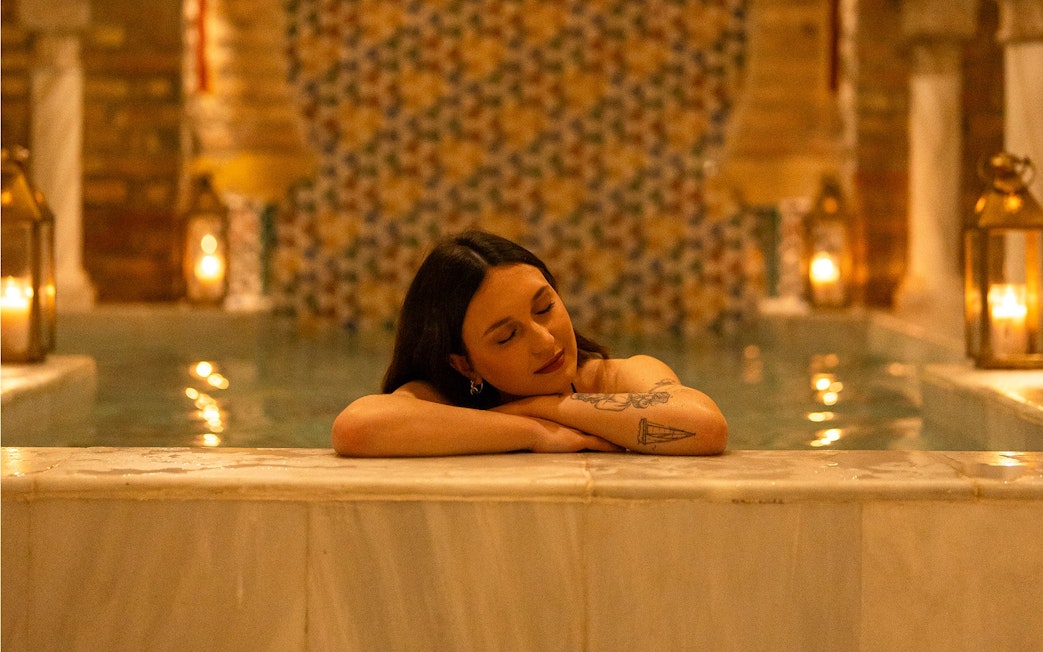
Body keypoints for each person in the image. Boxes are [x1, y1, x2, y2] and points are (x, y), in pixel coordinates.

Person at [332, 230, 727, 457]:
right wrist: (535, 431)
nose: (545, 340)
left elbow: (705, 426)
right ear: (464, 364)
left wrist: (544, 406)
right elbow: (356, 428)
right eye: (507, 335)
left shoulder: (614, 376)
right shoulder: (442, 399)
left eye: (544, 308)